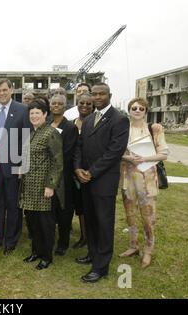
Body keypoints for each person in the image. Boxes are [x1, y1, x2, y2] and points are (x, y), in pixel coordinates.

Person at [74, 83, 129, 283]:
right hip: (86, 179)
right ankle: (92, 253)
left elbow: (115, 152)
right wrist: (78, 168)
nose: (97, 97)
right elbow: (79, 147)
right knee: (90, 220)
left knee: (104, 223)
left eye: (101, 94)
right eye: (94, 94)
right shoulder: (88, 120)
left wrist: (92, 172)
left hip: (104, 181)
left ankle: (101, 266)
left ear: (109, 95)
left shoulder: (119, 119)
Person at [0, 78, 30, 255]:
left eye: (4, 90)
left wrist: (23, 166)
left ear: (11, 90)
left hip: (14, 167)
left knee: (13, 204)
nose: (1, 93)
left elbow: (26, 140)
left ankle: (11, 240)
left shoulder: (23, 110)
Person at [119, 98, 169, 268]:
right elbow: (117, 152)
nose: (138, 110)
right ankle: (133, 245)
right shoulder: (123, 129)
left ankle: (148, 249)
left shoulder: (154, 129)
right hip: (128, 178)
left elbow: (164, 153)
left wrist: (145, 158)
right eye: (134, 108)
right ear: (129, 110)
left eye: (141, 108)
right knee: (130, 214)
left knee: (148, 217)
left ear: (146, 111)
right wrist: (127, 158)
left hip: (147, 180)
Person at [19, 99, 63, 270]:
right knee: (32, 222)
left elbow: (57, 162)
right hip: (29, 186)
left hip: (43, 187)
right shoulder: (32, 133)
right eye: (32, 113)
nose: (34, 116)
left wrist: (51, 185)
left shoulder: (51, 133)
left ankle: (46, 256)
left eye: (38, 113)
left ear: (45, 114)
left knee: (45, 224)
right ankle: (36, 251)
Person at [49, 94, 78, 256]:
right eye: (54, 103)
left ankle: (63, 242)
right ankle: (49, 239)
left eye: (60, 103)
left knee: (64, 211)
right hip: (46, 175)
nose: (57, 106)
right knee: (49, 210)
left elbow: (67, 153)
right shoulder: (45, 124)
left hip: (64, 176)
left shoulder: (70, 127)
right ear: (50, 105)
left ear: (65, 106)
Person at [72, 93, 94, 249]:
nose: (84, 106)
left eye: (88, 103)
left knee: (90, 207)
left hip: (91, 171)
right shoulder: (72, 123)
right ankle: (84, 236)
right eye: (81, 103)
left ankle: (92, 236)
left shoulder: (95, 122)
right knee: (80, 206)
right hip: (74, 170)